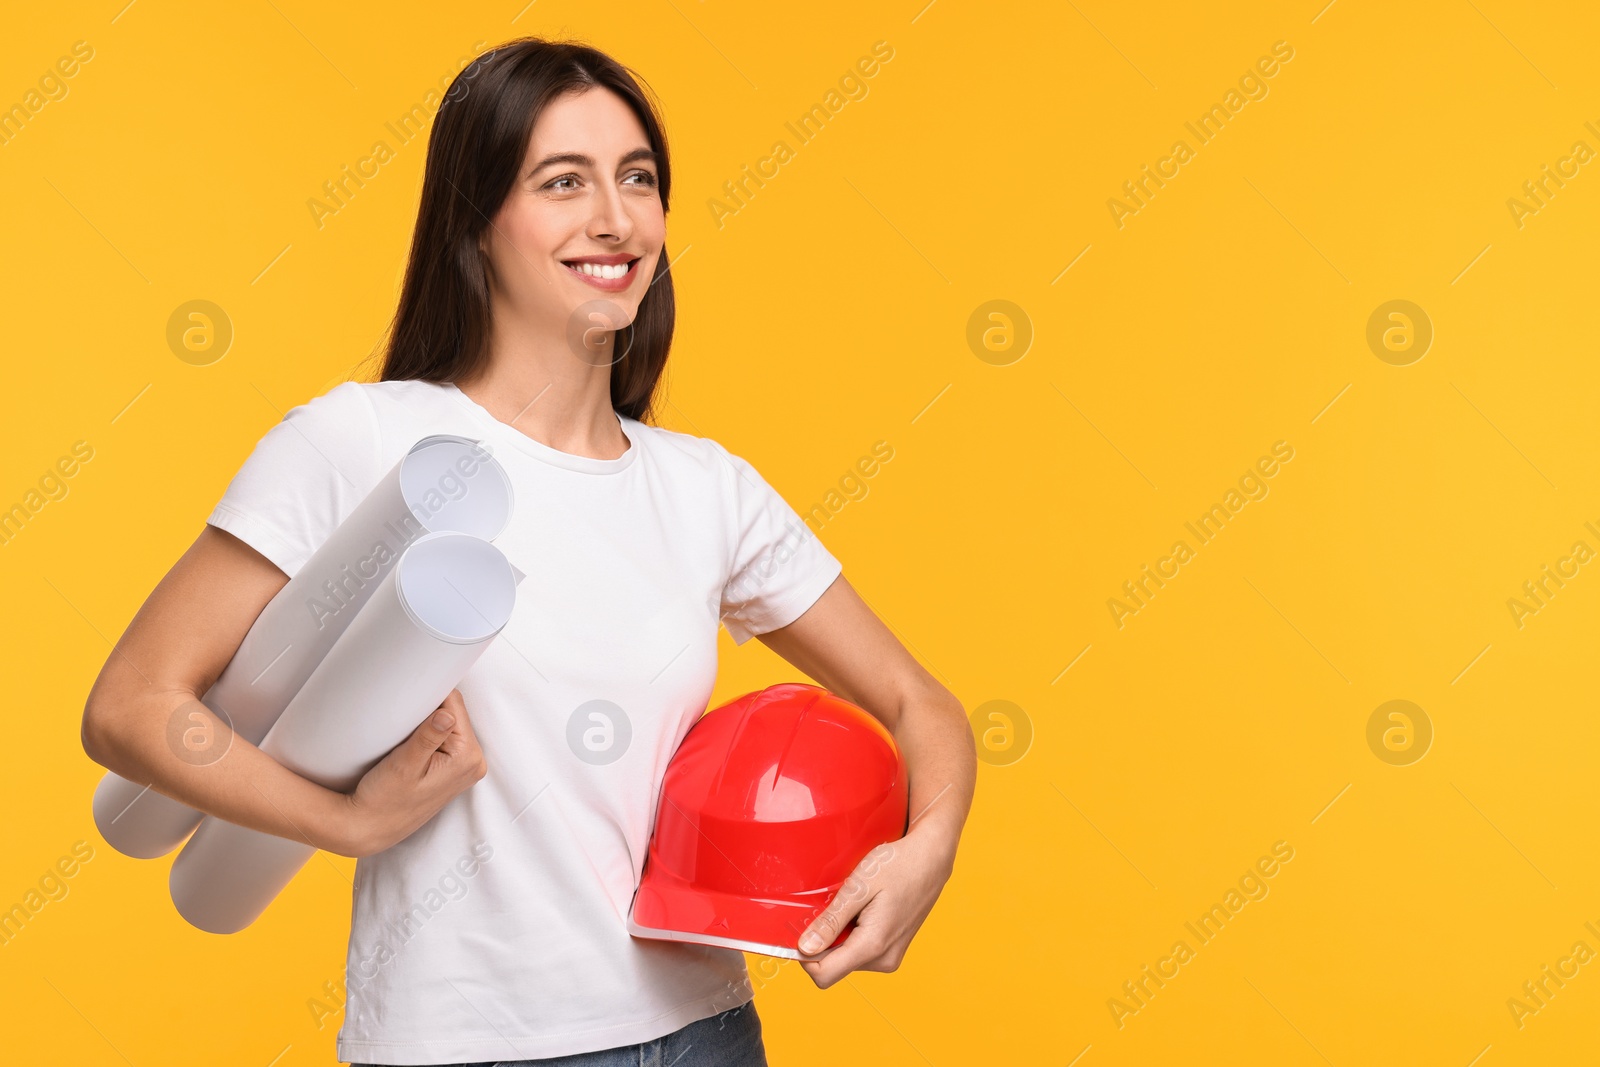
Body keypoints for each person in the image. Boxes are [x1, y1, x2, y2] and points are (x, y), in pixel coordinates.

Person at [80, 36, 975, 1067]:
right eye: (563, 182)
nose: (615, 218)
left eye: (637, 179)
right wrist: (348, 820)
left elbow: (921, 704)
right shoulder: (367, 443)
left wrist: (925, 850)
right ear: (476, 224)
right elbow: (133, 707)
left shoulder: (705, 488)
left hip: (703, 1034)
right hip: (464, 1046)